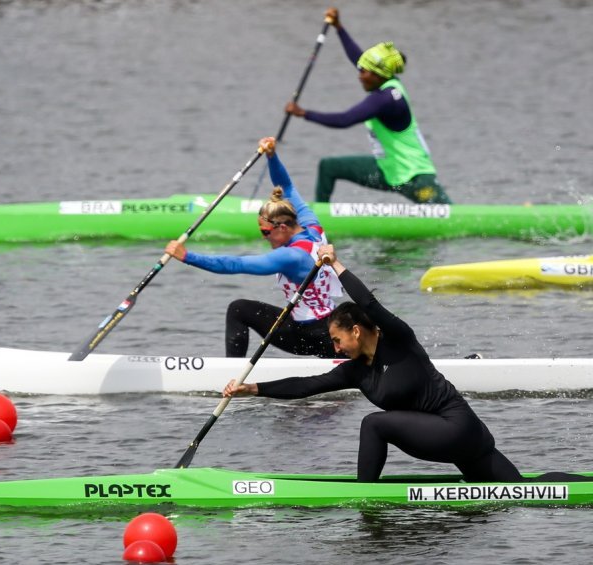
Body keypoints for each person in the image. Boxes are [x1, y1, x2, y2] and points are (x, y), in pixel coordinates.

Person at [223, 243, 586, 483]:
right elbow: (306, 385)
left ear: (356, 330)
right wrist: (253, 389)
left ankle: (363, 495)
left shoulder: (397, 338)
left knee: (374, 423)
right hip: (460, 437)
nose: (334, 346)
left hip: (460, 428)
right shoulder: (356, 370)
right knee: (522, 489)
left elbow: (370, 304)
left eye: (336, 339)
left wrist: (337, 265)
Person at [164, 136, 342, 359]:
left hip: (313, 337)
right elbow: (285, 186)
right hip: (331, 327)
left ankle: (228, 374)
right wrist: (272, 156)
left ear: (284, 227)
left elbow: (236, 264)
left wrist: (188, 256)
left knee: (239, 309)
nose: (264, 237)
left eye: (266, 232)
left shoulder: (291, 256)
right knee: (240, 308)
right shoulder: (312, 226)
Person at [285, 7, 452, 205]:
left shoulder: (386, 99)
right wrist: (339, 27)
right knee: (328, 167)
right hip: (386, 172)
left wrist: (303, 113)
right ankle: (318, 223)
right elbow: (358, 58)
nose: (360, 75)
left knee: (447, 214)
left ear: (379, 74)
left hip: (415, 178)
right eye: (361, 70)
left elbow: (344, 120)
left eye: (364, 72)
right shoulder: (385, 78)